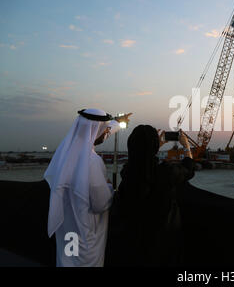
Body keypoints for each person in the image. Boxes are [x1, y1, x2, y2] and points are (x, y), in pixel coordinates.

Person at [44, 108, 131, 267]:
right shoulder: (91, 162)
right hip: (85, 238)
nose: (106, 133)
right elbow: (101, 203)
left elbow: (97, 134)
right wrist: (110, 187)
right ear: (96, 131)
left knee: (67, 261)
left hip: (68, 232)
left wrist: (117, 123)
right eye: (104, 131)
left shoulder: (65, 155)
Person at [105, 125, 194, 266]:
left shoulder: (127, 174)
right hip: (161, 248)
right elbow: (189, 169)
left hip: (130, 249)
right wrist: (186, 147)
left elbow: (141, 163)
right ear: (155, 147)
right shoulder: (165, 173)